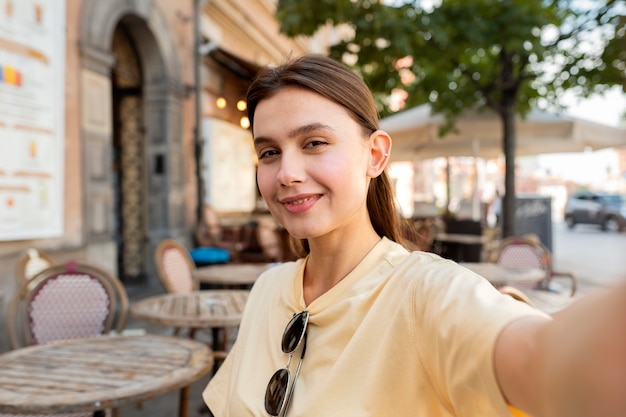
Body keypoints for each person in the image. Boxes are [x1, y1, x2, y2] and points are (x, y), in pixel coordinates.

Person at [203, 54, 626, 417]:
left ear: (375, 155)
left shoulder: (425, 294)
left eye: (314, 142)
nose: (287, 174)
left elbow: (540, 361)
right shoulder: (267, 289)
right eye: (269, 152)